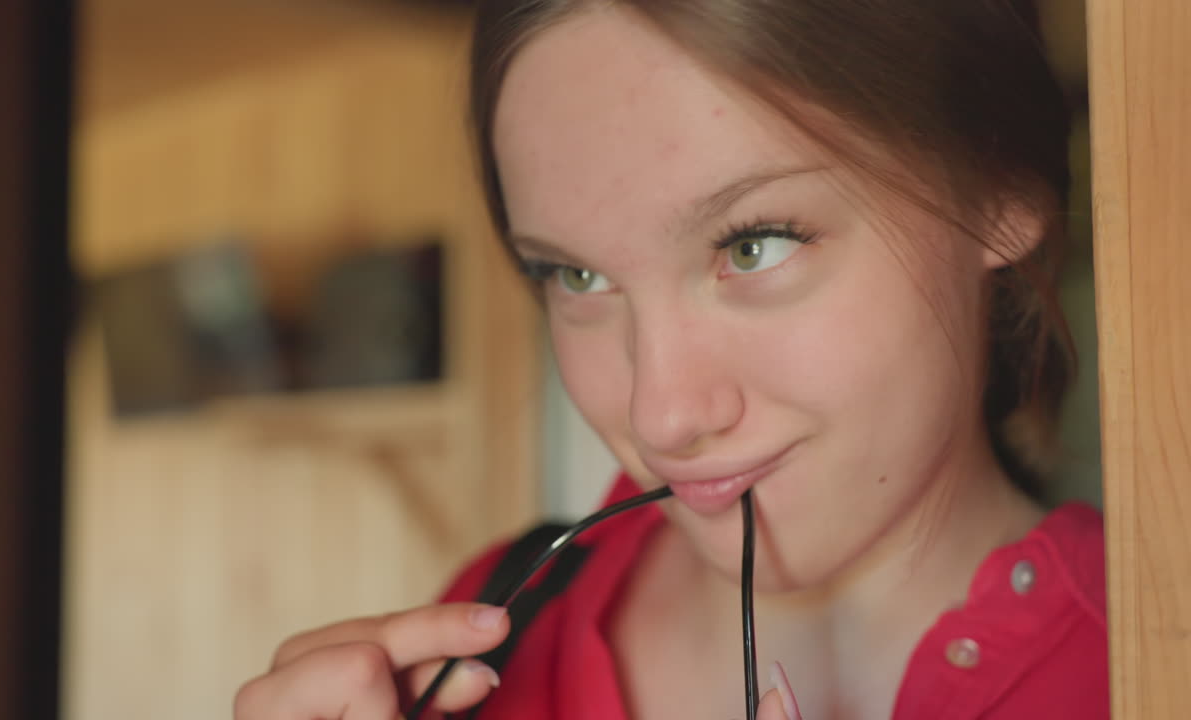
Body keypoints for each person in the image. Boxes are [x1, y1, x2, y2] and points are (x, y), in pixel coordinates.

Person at [233, 1, 1108, 718]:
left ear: (1001, 189)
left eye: (755, 244)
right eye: (575, 274)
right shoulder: (489, 636)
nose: (662, 415)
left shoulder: (1150, 657)